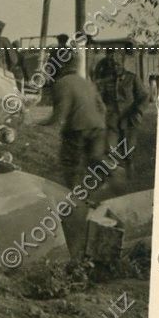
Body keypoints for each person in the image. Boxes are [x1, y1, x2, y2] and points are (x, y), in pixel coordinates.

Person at [37, 59, 112, 256]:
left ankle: (73, 199)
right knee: (95, 158)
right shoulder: (87, 82)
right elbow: (102, 108)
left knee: (69, 162)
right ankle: (107, 180)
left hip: (77, 128)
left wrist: (43, 123)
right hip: (97, 125)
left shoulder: (61, 84)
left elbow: (60, 112)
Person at [92, 51, 148, 183]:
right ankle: (112, 182)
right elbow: (100, 98)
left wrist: (137, 112)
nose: (114, 67)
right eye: (111, 64)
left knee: (128, 152)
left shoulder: (133, 78)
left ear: (122, 64)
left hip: (129, 121)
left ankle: (130, 181)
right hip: (112, 121)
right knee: (109, 150)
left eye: (117, 64)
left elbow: (144, 97)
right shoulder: (107, 80)